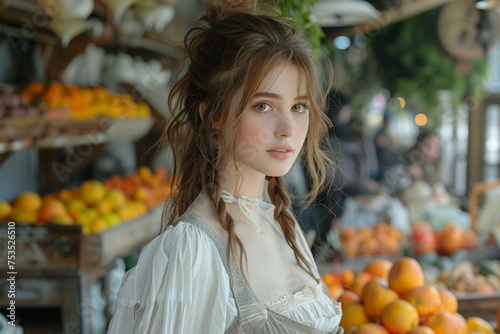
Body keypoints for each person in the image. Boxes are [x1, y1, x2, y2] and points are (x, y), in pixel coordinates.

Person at [107, 1, 343, 333]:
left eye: (298, 106)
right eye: (263, 105)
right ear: (213, 115)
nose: (288, 127)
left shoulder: (279, 219)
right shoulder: (193, 250)